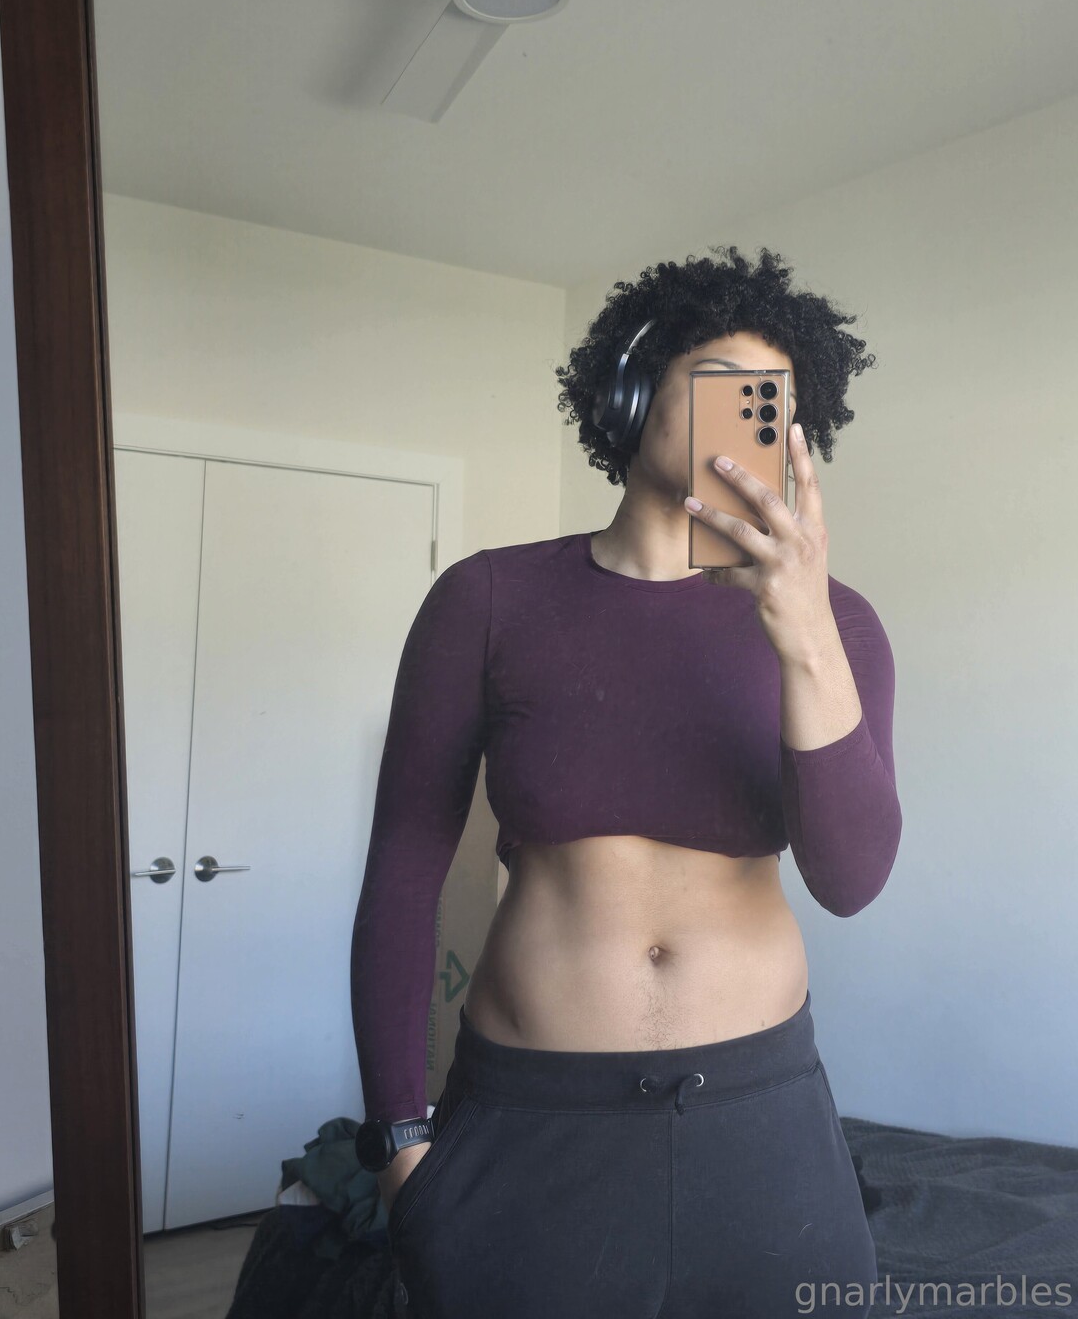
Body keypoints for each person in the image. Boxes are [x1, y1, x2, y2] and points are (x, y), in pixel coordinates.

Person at [350, 244, 902, 1319]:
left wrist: (803, 633)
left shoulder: (840, 625)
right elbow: (405, 868)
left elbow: (851, 879)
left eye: (769, 404)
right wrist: (400, 1141)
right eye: (718, 385)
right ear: (632, 388)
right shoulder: (489, 600)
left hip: (761, 1120)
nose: (741, 422)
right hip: (532, 1121)